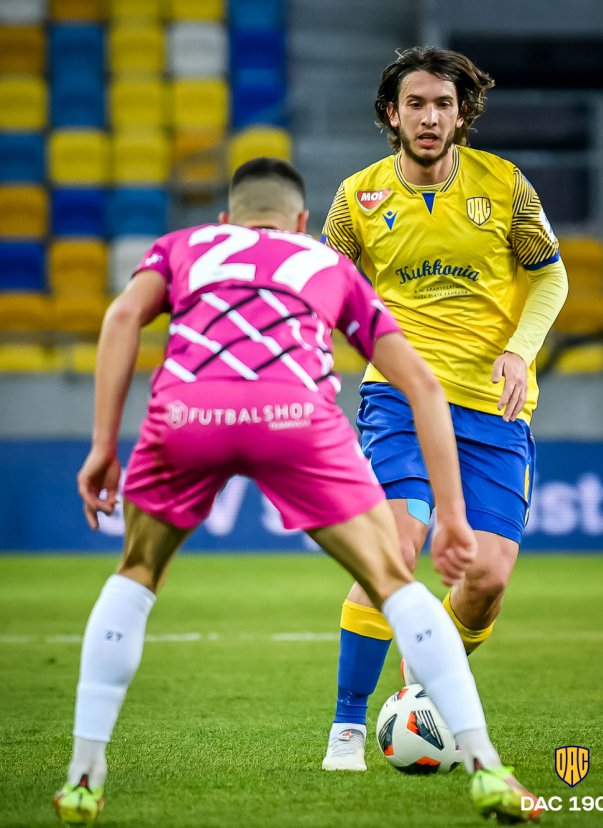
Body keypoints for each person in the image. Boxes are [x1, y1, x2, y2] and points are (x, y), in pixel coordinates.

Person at [53, 157, 540, 826]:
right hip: (293, 416)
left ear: (225, 220)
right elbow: (422, 385)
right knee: (393, 580)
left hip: (189, 413)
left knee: (136, 575)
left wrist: (103, 446)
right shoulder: (326, 263)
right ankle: (486, 768)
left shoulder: (182, 246)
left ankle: (83, 778)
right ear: (302, 222)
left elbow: (120, 319)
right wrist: (451, 514)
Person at [320, 46, 568, 772]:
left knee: (486, 580)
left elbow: (551, 280)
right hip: (398, 397)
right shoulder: (357, 199)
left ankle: (424, 682)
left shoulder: (505, 185)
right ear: (391, 114)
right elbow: (322, 287)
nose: (429, 117)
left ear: (463, 115)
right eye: (416, 104)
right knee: (394, 548)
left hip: (493, 407)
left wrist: (518, 351)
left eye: (443, 105)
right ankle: (345, 729)